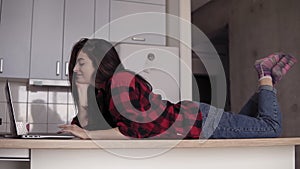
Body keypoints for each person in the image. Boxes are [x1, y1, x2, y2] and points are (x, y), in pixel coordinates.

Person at [59, 38, 297, 140]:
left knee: (269, 128)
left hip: (199, 123)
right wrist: (81, 91)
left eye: (81, 63)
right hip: (195, 120)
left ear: (100, 61)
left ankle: (265, 75)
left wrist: (89, 134)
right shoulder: (103, 92)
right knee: (248, 124)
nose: (76, 69)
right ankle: (267, 84)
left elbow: (135, 130)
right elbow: (86, 126)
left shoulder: (119, 81)